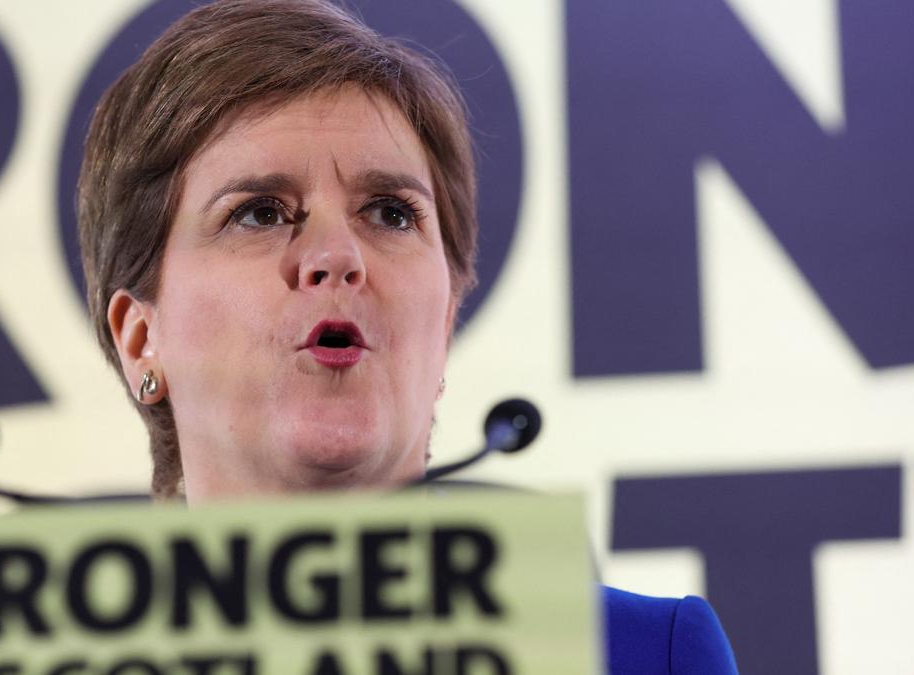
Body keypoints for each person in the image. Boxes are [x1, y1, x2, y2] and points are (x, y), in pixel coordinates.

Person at [76, 0, 738, 672]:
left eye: (390, 212)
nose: (337, 254)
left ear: (446, 316)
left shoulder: (643, 654)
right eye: (261, 212)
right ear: (139, 337)